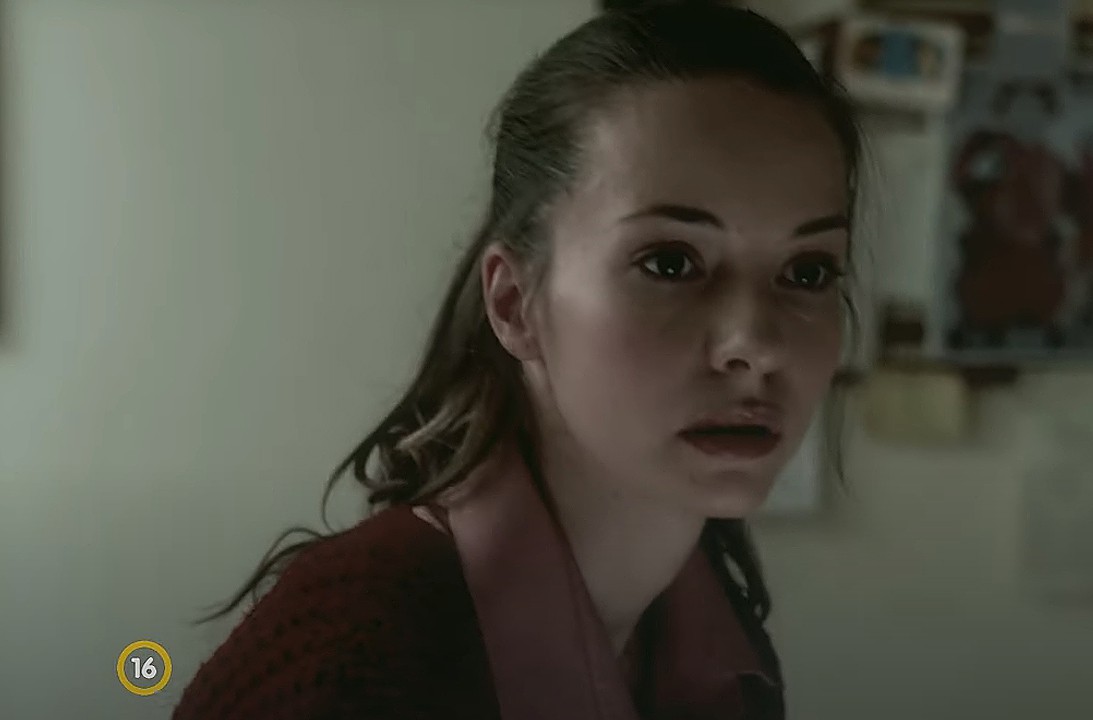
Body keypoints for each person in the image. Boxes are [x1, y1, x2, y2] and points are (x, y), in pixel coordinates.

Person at [172, 4, 862, 718]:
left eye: (808, 272)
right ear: (514, 304)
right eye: (669, 262)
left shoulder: (721, 648)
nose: (756, 343)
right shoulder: (351, 660)